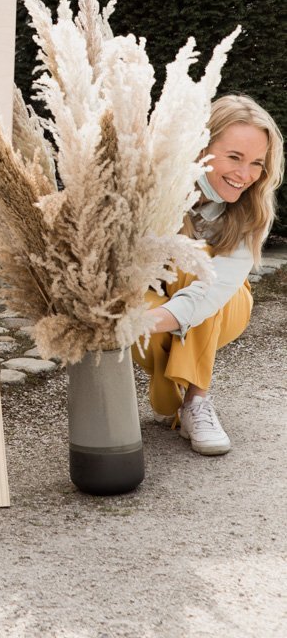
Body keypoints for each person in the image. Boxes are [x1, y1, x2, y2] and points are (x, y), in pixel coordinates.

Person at [133, 93, 284, 456]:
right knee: (143, 304)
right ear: (201, 146)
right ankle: (180, 398)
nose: (245, 175)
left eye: (256, 163)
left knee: (200, 266)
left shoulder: (253, 209)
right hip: (153, 299)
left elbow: (214, 290)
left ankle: (195, 400)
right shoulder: (152, 189)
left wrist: (131, 325)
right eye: (234, 157)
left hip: (225, 304)